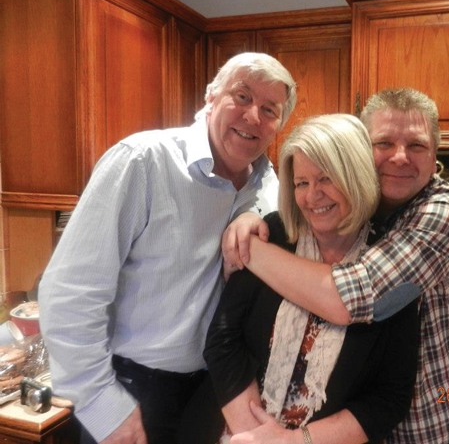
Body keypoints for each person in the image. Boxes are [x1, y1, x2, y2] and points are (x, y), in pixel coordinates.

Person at [38, 53, 297, 444]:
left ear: (279, 124)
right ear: (211, 97)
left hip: (212, 395)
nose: (253, 116)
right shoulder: (143, 162)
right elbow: (70, 293)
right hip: (130, 392)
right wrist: (103, 406)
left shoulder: (270, 188)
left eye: (269, 109)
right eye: (241, 97)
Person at [223, 88, 449, 444]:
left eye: (416, 145)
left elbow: (349, 298)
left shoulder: (442, 213)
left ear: (435, 153)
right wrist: (250, 217)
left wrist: (247, 247)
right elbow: (224, 339)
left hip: (426, 424)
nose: (400, 158)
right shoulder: (350, 213)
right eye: (384, 143)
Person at [205, 114, 419, 444]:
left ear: (356, 177)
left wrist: (297, 441)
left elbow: (388, 398)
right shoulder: (273, 234)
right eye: (302, 183)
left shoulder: (387, 262)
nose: (312, 196)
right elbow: (222, 339)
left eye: (326, 179)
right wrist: (253, 435)